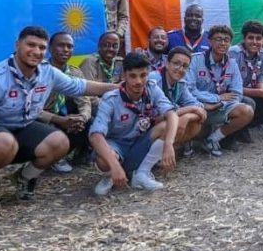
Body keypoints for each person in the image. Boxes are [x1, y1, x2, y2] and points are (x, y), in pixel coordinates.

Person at [0, 26, 118, 206]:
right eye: (31, 45)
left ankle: (23, 177)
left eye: (41, 47)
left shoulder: (47, 72)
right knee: (4, 143)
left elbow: (80, 86)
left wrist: (120, 88)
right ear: (17, 45)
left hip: (22, 127)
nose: (36, 51)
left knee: (60, 141)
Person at [88, 52, 179, 195]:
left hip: (140, 142)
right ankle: (110, 176)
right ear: (124, 76)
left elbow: (172, 114)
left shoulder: (152, 88)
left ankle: (141, 174)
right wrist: (115, 166)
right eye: (133, 76)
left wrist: (169, 144)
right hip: (117, 145)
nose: (139, 81)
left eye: (143, 75)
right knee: (103, 160)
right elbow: (95, 135)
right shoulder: (110, 99)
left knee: (166, 127)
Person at [186, 25, 254, 156]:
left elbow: (237, 93)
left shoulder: (232, 64)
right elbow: (189, 90)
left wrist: (219, 104)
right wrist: (216, 98)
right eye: (218, 39)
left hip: (219, 107)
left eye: (226, 40)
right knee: (196, 130)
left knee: (247, 110)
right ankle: (189, 141)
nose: (223, 43)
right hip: (198, 106)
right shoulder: (195, 60)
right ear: (210, 41)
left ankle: (212, 139)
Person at [38, 31, 91, 174]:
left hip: (64, 119)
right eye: (61, 45)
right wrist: (59, 120)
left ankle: (65, 155)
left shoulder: (74, 72)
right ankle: (47, 156)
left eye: (70, 46)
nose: (66, 50)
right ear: (50, 48)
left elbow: (84, 101)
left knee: (89, 119)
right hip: (44, 118)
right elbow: (32, 109)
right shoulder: (40, 71)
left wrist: (82, 118)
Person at [147, 46, 206, 149]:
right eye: (176, 63)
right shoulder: (153, 80)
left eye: (185, 66)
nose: (180, 69)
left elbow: (199, 107)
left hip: (162, 120)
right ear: (167, 63)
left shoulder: (180, 83)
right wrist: (190, 109)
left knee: (195, 123)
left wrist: (187, 117)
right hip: (144, 128)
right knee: (168, 124)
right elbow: (157, 117)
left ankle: (166, 151)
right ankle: (153, 154)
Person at [80, 32, 124, 119]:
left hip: (114, 103)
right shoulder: (90, 62)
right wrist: (109, 106)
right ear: (99, 46)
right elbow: (88, 95)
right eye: (106, 45)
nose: (110, 49)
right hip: (93, 104)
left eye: (115, 46)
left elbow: (124, 89)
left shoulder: (120, 63)